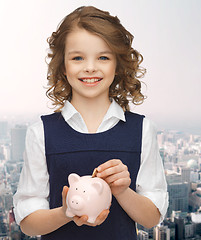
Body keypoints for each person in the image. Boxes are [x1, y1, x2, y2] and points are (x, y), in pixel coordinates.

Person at [13, 5, 168, 240]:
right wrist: (67, 212)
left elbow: (151, 218)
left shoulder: (142, 130)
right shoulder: (41, 133)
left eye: (103, 57)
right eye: (78, 58)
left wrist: (122, 191)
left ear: (118, 64)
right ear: (63, 66)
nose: (90, 67)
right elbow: (28, 224)